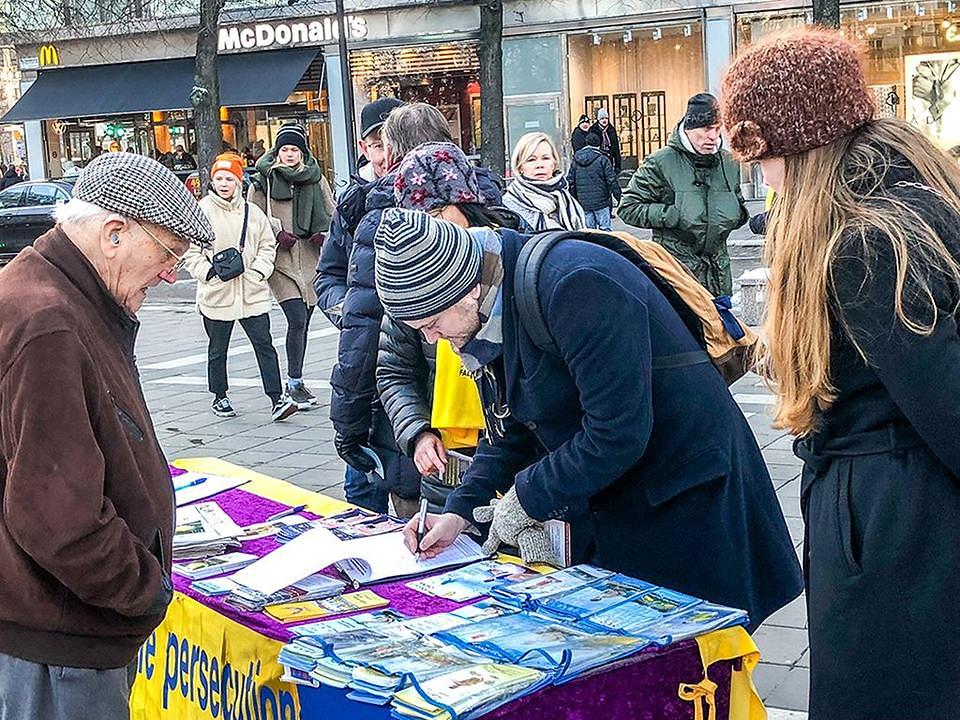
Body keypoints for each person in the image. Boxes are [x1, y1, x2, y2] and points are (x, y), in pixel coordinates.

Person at [372, 208, 802, 630]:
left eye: (431, 323)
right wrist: (459, 513)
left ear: (465, 290)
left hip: (689, 507)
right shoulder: (489, 308)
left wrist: (526, 497)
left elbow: (616, 432)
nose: (432, 339)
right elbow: (509, 426)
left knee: (696, 672)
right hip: (626, 505)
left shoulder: (574, 284)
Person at [722, 29, 960, 719]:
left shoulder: (864, 243)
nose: (761, 179)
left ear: (800, 147)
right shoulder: (917, 196)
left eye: (761, 158)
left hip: (894, 530)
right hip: (904, 515)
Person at [0, 152, 213, 719]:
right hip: (59, 638)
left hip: (57, 627)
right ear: (115, 233)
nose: (171, 272)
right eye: (169, 253)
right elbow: (56, 517)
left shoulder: (58, 294)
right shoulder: (49, 318)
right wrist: (145, 592)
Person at [328, 103, 459, 517]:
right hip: (408, 416)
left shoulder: (397, 220)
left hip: (437, 416)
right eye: (372, 145)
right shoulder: (362, 207)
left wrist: (348, 428)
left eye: (386, 147)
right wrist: (345, 308)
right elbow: (357, 312)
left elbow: (371, 342)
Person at [376, 141, 521, 512]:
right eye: (420, 217)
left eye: (439, 211)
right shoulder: (409, 273)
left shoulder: (514, 257)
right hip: (450, 459)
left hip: (517, 459)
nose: (432, 227)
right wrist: (417, 432)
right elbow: (393, 369)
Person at [314, 98, 404, 513]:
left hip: (411, 362)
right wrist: (349, 309)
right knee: (362, 492)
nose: (386, 154)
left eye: (392, 141)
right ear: (364, 148)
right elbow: (327, 276)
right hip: (362, 362)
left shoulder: (419, 193)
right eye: (375, 143)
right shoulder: (352, 204)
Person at [184, 153, 298, 423]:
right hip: (217, 292)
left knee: (265, 346)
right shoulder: (202, 210)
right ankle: (219, 395)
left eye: (229, 178)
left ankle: (277, 397)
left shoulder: (252, 212)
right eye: (219, 178)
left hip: (251, 291)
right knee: (217, 348)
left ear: (239, 182)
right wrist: (207, 272)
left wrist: (259, 272)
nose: (224, 183)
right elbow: (190, 250)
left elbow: (267, 245)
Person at [619, 93, 748, 297]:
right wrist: (672, 215)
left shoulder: (729, 162)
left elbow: (737, 200)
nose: (713, 137)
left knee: (720, 328)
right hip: (678, 271)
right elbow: (628, 208)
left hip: (719, 273)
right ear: (688, 129)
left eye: (717, 129)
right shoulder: (660, 162)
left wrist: (738, 213)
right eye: (706, 129)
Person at [248, 122, 336, 409]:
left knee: (306, 319)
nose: (289, 154)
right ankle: (294, 383)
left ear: (302, 152)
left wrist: (324, 231)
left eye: (294, 149)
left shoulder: (315, 176)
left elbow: (331, 209)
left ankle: (296, 380)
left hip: (310, 256)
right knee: (296, 317)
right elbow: (253, 216)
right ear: (277, 151)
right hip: (281, 258)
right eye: (284, 149)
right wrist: (276, 232)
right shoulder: (264, 178)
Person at [502, 132, 585, 232]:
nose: (539, 165)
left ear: (554, 163)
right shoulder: (508, 206)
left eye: (545, 158)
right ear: (520, 167)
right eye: (531, 160)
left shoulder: (567, 200)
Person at [567, 131, 621, 231]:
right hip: (602, 201)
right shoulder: (602, 159)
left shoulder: (576, 159)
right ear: (598, 144)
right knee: (605, 231)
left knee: (589, 233)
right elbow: (611, 180)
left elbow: (570, 181)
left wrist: (574, 199)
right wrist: (618, 196)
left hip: (584, 202)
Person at [590, 108, 621, 175]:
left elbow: (616, 147)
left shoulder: (611, 130)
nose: (604, 120)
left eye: (606, 118)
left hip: (609, 158)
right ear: (598, 120)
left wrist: (618, 165)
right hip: (597, 159)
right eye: (602, 118)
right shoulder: (593, 130)